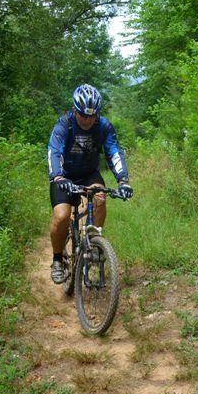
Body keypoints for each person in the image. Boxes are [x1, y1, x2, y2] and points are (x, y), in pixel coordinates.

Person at [48, 83, 133, 284]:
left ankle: (94, 244)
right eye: (84, 115)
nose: (88, 120)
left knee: (100, 199)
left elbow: (114, 152)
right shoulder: (64, 124)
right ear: (74, 110)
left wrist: (123, 181)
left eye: (92, 116)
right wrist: (58, 177)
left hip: (89, 175)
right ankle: (57, 259)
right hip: (64, 176)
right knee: (61, 216)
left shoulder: (103, 126)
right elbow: (54, 151)